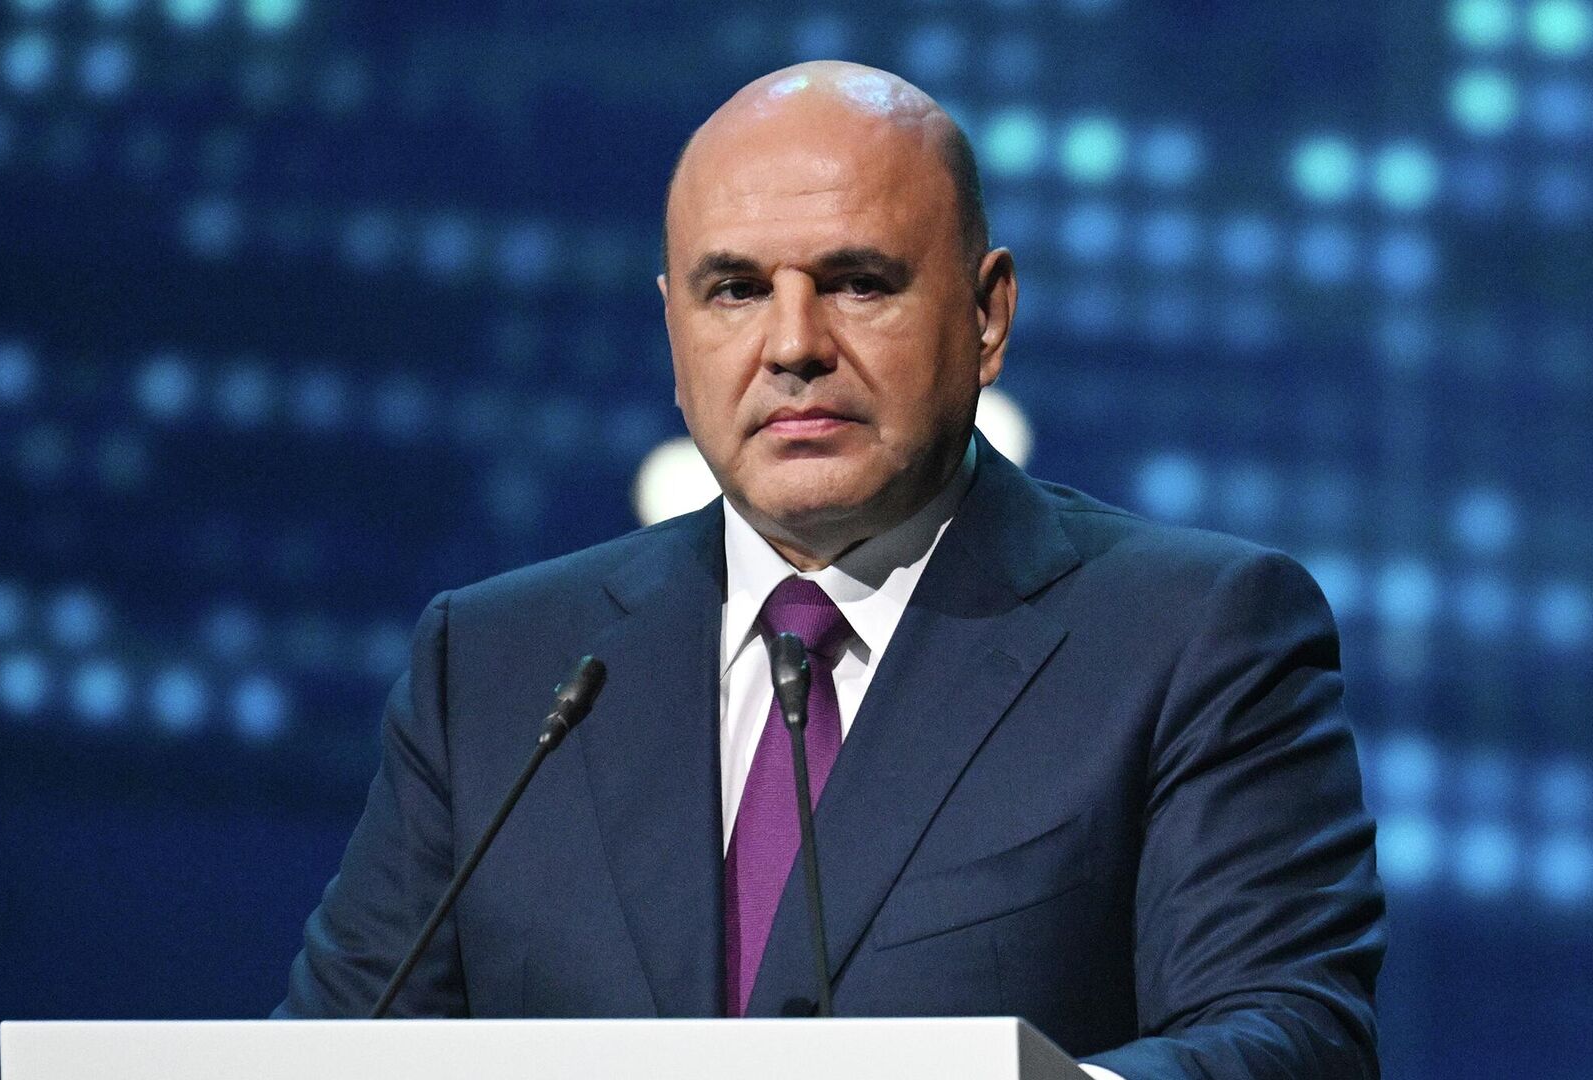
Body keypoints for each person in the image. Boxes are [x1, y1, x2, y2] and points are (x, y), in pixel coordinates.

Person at [277, 61, 1386, 1080]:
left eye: (857, 283)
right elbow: (334, 1054)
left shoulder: (1191, 635)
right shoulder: (498, 666)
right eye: (735, 290)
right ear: (673, 331)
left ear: (988, 314)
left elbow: (1293, 1039)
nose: (794, 344)